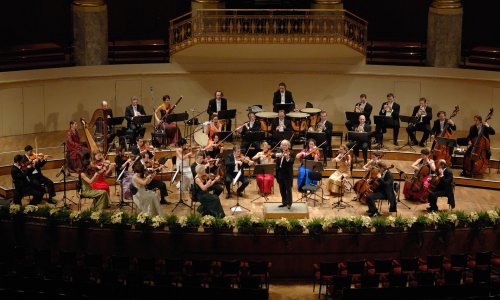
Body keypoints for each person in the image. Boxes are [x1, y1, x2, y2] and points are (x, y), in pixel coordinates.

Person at [274, 139, 294, 209]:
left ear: (288, 146)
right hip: (280, 173)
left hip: (287, 174)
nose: (284, 146)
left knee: (288, 189)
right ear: (281, 145)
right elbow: (274, 155)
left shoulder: (291, 152)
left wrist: (287, 157)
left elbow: (291, 162)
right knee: (281, 189)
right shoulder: (279, 151)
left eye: (285, 145)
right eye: (283, 145)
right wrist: (277, 155)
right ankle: (284, 202)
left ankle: (289, 203)